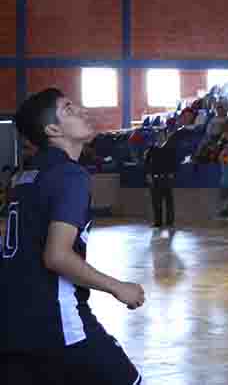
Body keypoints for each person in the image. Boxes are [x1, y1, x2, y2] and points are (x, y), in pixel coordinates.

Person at [1, 88, 145, 384]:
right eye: (68, 108)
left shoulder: (23, 177)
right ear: (52, 129)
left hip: (11, 323)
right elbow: (56, 256)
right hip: (56, 323)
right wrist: (119, 288)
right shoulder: (70, 175)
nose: (81, 110)